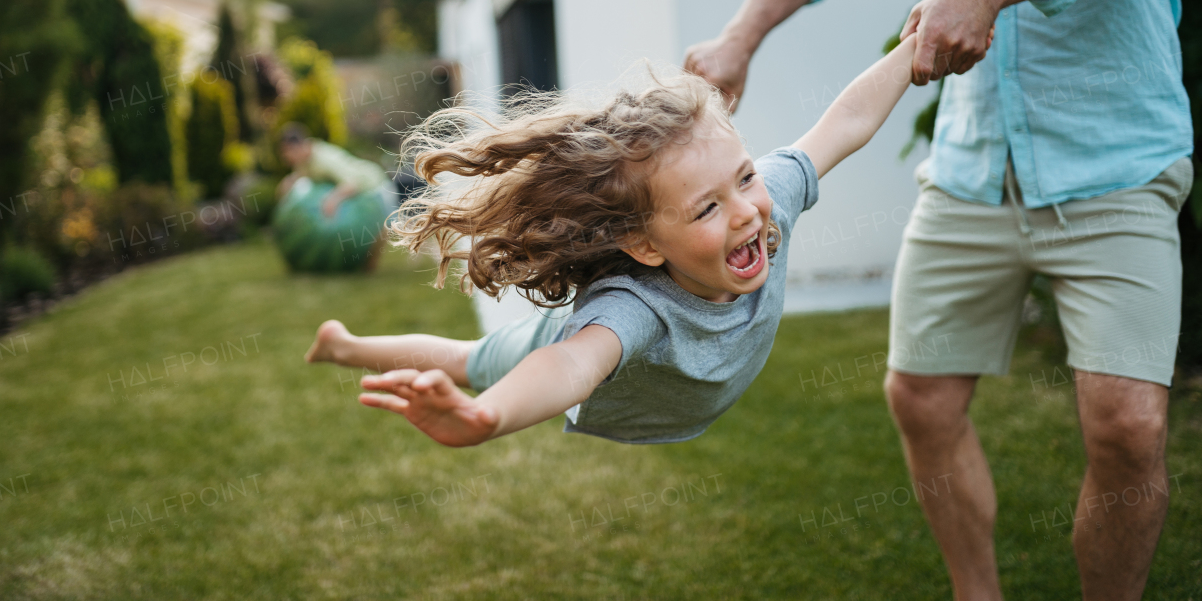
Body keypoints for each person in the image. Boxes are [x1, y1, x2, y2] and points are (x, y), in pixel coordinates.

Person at [685, 0, 1200, 598]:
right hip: (970, 168)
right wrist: (741, 35)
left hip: (1118, 170)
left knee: (1129, 427)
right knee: (920, 397)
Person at [305, 38, 920, 447]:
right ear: (646, 246)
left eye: (745, 178)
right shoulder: (634, 309)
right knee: (471, 362)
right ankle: (347, 345)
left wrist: (915, 49)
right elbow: (570, 365)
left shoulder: (766, 199)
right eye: (707, 208)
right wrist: (486, 416)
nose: (745, 214)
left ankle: (344, 343)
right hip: (551, 345)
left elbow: (844, 123)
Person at [276, 123, 389, 219]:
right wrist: (288, 182)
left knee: (390, 234)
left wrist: (333, 199)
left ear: (297, 148)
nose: (286, 159)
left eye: (286, 154)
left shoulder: (324, 158)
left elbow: (352, 183)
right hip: (362, 196)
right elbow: (298, 176)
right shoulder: (303, 162)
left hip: (374, 186)